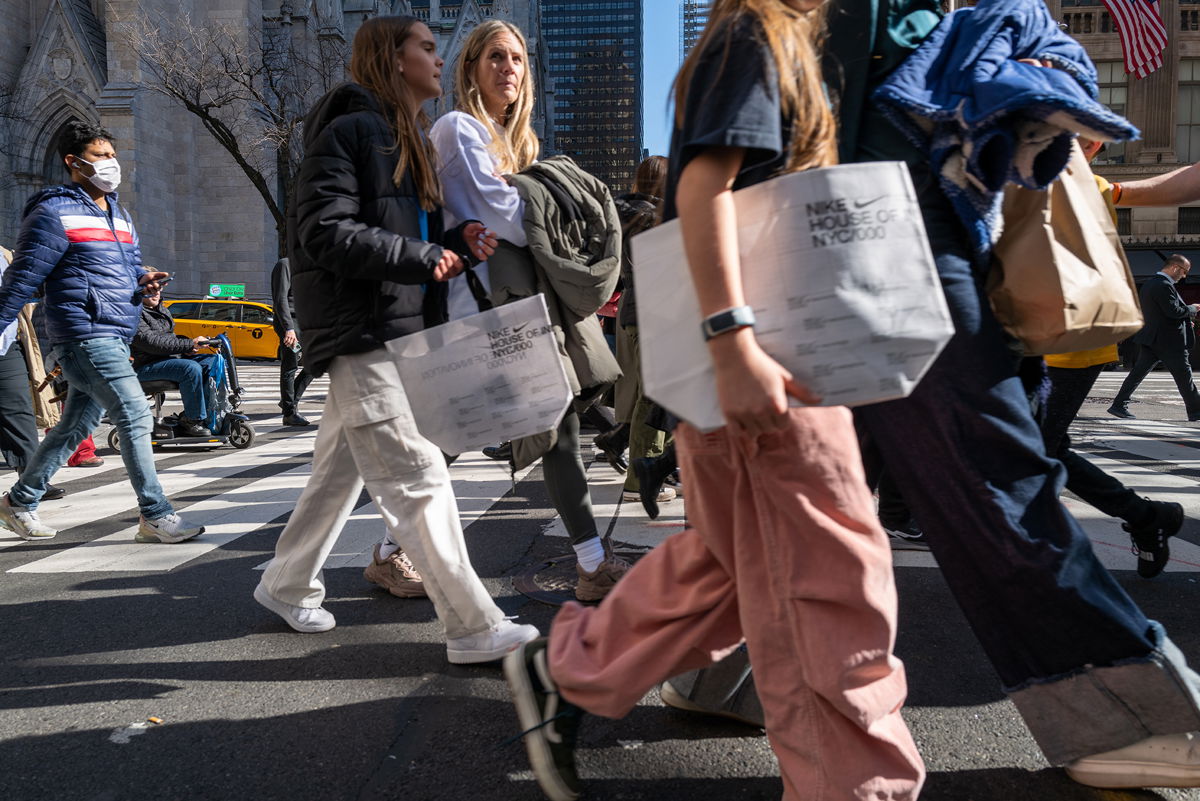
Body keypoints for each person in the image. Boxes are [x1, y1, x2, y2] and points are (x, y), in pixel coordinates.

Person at [504, 3, 924, 800]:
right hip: (771, 360)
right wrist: (733, 342)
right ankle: (857, 787)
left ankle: (567, 668)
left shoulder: (774, 40)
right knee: (832, 587)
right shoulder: (758, 36)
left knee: (738, 570)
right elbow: (703, 187)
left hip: (769, 357)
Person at [253, 15, 539, 665]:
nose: (439, 59)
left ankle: (285, 581)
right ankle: (471, 624)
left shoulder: (403, 140)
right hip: (362, 333)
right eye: (427, 47)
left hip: (392, 330)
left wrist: (450, 248)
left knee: (336, 473)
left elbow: (405, 244)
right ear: (392, 57)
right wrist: (417, 254)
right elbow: (322, 231)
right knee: (419, 474)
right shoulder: (353, 132)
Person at [429, 20, 630, 602]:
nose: (508, 68)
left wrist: (527, 187)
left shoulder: (515, 145)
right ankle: (391, 550)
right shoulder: (459, 129)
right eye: (495, 56)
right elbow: (511, 219)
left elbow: (528, 217)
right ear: (470, 67)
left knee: (555, 425)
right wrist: (537, 196)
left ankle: (592, 564)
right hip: (481, 308)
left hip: (519, 309)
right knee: (458, 434)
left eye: (517, 58)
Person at [0, 120, 203, 544]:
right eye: (101, 156)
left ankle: (19, 501)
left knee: (72, 429)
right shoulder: (52, 212)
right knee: (133, 414)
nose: (112, 164)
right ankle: (155, 514)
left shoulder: (120, 215)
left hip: (115, 332)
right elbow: (21, 279)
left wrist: (145, 280)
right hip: (81, 333)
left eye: (113, 155)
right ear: (73, 162)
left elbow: (129, 268)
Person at [612, 156, 677, 507]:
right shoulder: (651, 217)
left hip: (639, 310)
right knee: (653, 395)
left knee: (654, 393)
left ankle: (655, 469)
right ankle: (641, 478)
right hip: (658, 311)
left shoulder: (627, 214)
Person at [1107, 254, 1200, 421]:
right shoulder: (1163, 285)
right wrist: (1192, 309)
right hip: (1169, 342)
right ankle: (1196, 412)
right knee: (1184, 377)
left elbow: (1159, 313)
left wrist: (1184, 322)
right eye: (1184, 271)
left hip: (1154, 339)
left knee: (1137, 374)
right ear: (1175, 268)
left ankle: (1119, 404)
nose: (1184, 276)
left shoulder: (1150, 284)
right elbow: (1173, 311)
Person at [130, 285, 216, 438]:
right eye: (151, 290)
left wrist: (187, 348)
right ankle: (193, 420)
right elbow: (152, 343)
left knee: (211, 361)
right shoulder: (133, 313)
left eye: (158, 289)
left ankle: (208, 413)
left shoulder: (162, 309)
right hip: (143, 366)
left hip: (166, 360)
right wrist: (189, 344)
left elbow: (170, 339)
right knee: (189, 368)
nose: (156, 293)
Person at [270, 257, 313, 427]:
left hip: (304, 324)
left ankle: (289, 400)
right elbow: (280, 298)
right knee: (291, 365)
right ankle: (289, 412)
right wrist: (288, 328)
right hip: (290, 325)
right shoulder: (285, 264)